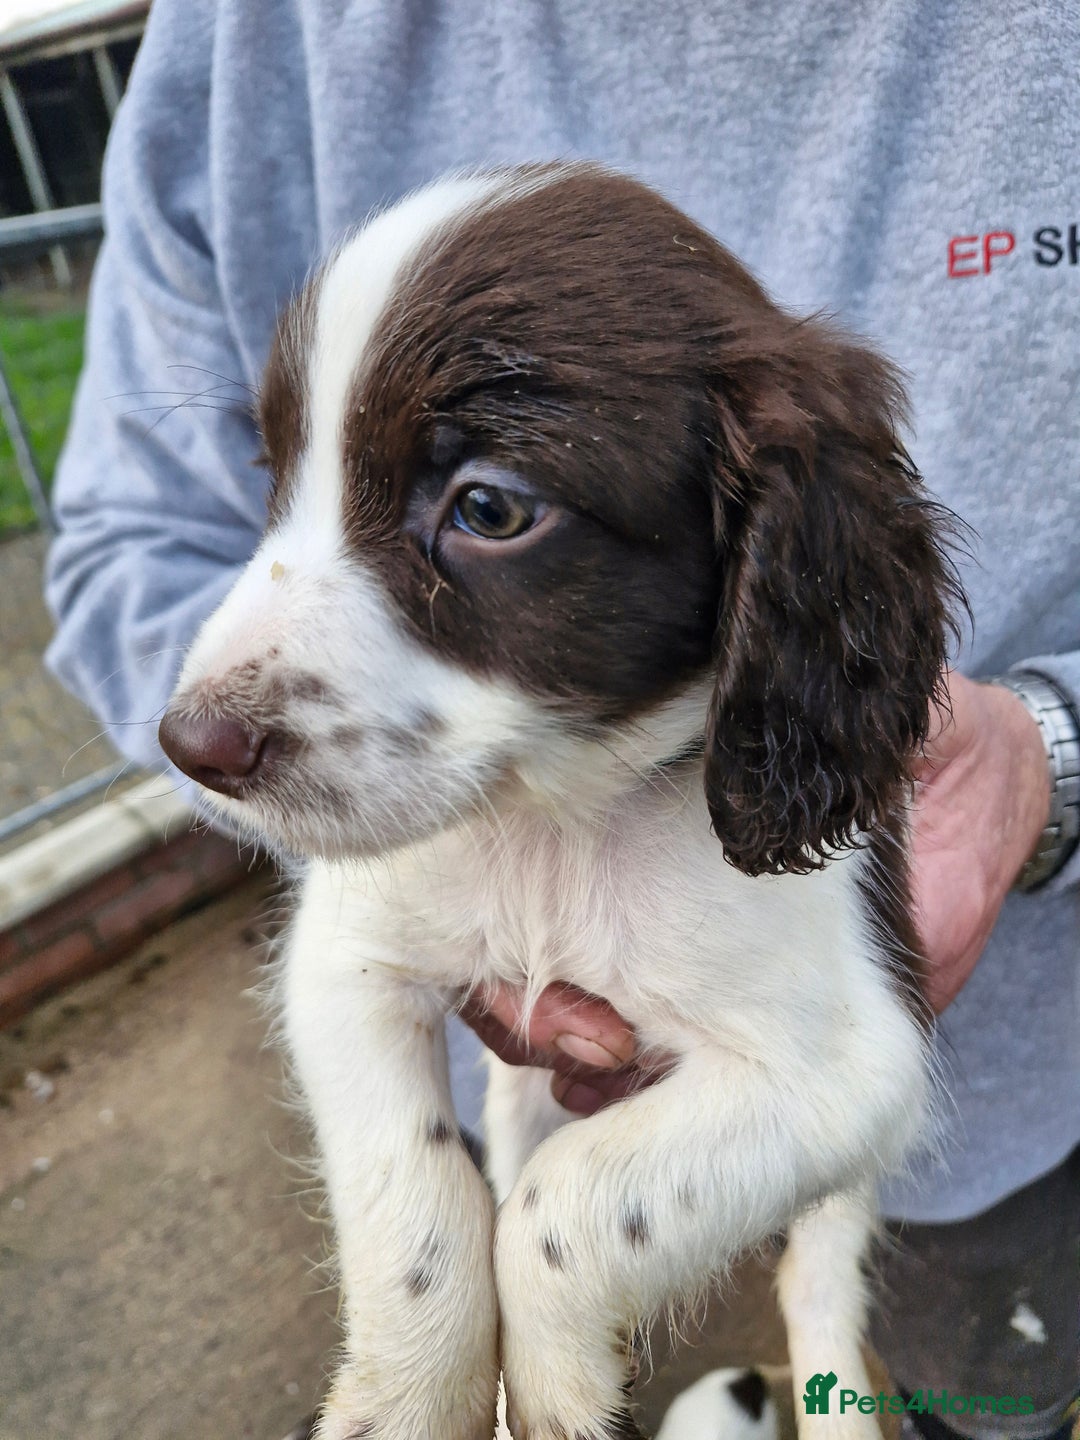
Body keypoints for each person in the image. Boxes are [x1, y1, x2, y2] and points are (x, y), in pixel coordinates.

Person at [44, 0, 1079, 1431]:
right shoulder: (260, 32)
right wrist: (414, 1347)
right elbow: (348, 970)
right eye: (288, 471)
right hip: (528, 1096)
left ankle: (833, 1376)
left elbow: (838, 1070)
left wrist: (1050, 747)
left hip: (1021, 1077)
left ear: (770, 536)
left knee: (936, 1344)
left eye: (483, 509)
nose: (219, 700)